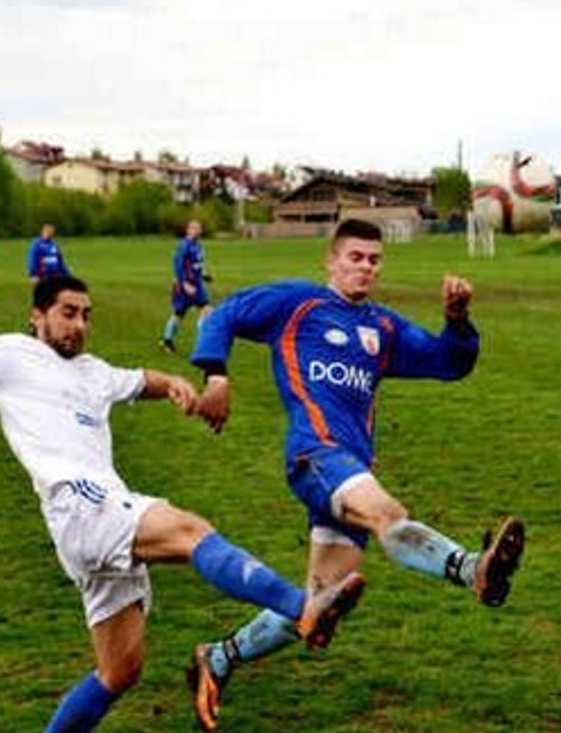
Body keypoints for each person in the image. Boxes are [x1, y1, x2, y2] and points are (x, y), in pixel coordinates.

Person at [0, 275, 365, 733]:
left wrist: (174, 382)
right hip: (80, 506)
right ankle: (304, 607)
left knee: (120, 672)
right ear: (38, 316)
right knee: (191, 530)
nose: (79, 324)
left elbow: (137, 380)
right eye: (68, 313)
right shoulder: (11, 352)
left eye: (86, 315)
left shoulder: (94, 372)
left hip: (97, 518)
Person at [183, 220, 525, 731]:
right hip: (314, 455)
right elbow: (225, 313)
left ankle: (220, 656)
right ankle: (472, 568)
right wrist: (215, 374)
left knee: (319, 602)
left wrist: (457, 320)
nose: (366, 266)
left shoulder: (382, 329)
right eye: (356, 256)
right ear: (331, 260)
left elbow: (447, 362)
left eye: (374, 259)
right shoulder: (296, 304)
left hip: (350, 469)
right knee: (388, 513)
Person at [160, 220, 213, 353]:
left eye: (199, 228)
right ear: (188, 230)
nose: (198, 230)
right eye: (194, 228)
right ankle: (167, 340)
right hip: (185, 285)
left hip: (197, 285)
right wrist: (184, 283)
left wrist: (204, 275)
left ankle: (202, 343)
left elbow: (197, 264)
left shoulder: (198, 245)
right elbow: (178, 265)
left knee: (206, 310)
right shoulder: (184, 246)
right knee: (179, 314)